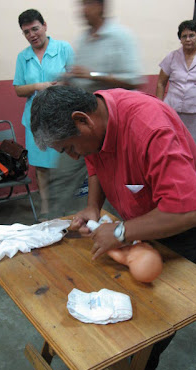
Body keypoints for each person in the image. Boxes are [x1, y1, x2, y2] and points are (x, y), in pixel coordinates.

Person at [30, 85, 196, 370]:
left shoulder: (149, 128)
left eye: (69, 149)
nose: (74, 157)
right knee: (130, 299)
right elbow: (93, 159)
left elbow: (191, 211)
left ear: (82, 121)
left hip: (181, 224)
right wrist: (93, 207)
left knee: (157, 319)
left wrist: (120, 231)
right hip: (141, 215)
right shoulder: (95, 117)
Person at [50, 0, 143, 217]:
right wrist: (67, 81)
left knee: (111, 182)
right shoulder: (82, 39)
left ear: (101, 6)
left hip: (110, 128)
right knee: (63, 175)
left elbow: (133, 80)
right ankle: (57, 226)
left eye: (87, 4)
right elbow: (79, 77)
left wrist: (93, 75)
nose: (82, 10)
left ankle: (113, 229)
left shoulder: (121, 37)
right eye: (80, 5)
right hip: (79, 124)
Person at [13, 9, 74, 220]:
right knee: (41, 167)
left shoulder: (63, 48)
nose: (32, 34)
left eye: (35, 28)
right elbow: (18, 89)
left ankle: (67, 209)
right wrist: (38, 85)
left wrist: (63, 84)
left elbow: (76, 79)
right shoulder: (24, 57)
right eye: (26, 31)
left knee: (64, 164)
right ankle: (47, 209)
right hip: (35, 120)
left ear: (45, 26)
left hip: (61, 118)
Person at [156, 20, 196, 147]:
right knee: (169, 143)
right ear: (180, 39)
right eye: (184, 36)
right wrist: (158, 106)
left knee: (191, 146)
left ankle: (189, 167)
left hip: (194, 112)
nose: (188, 39)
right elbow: (161, 83)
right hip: (171, 109)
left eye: (192, 35)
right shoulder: (172, 57)